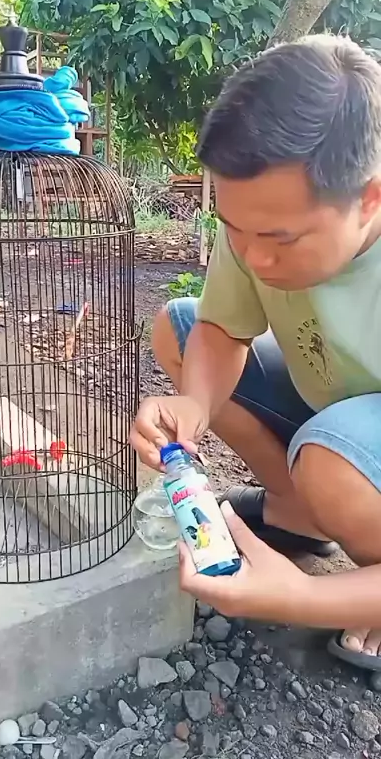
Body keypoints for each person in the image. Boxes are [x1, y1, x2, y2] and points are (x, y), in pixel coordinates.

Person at [130, 34, 381, 674]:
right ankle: (300, 513)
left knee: (331, 455)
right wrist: (194, 403)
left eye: (279, 239)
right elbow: (221, 329)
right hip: (331, 400)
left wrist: (303, 598)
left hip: (348, 437)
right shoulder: (257, 223)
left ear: (369, 198)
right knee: (182, 329)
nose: (254, 257)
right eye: (233, 228)